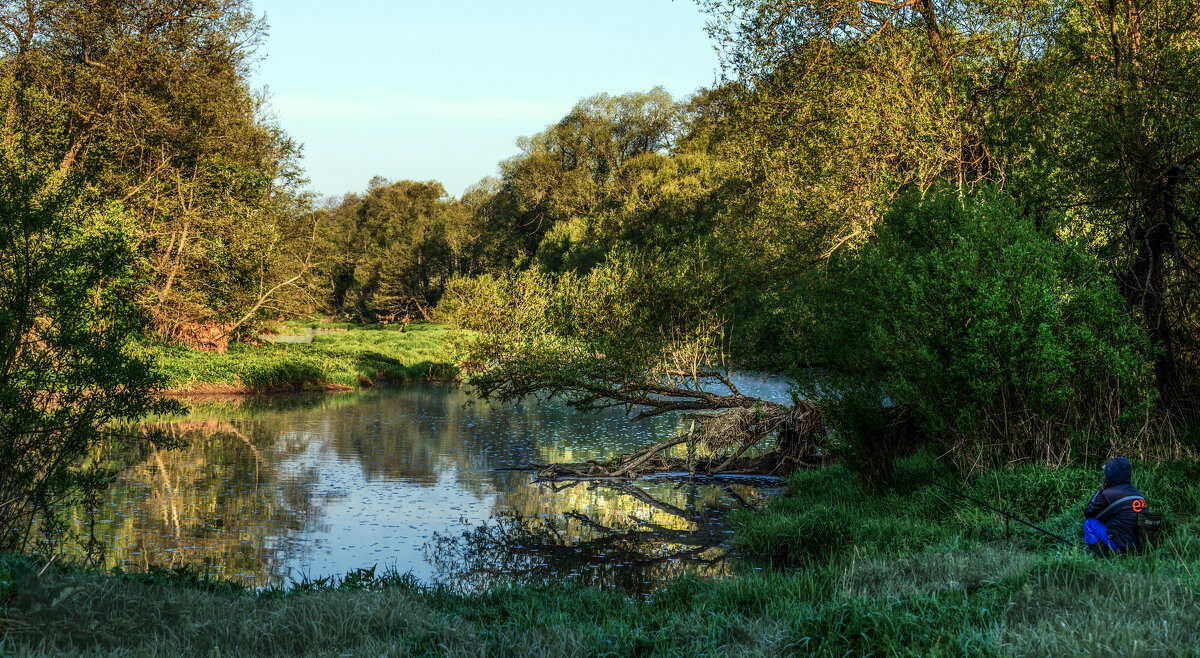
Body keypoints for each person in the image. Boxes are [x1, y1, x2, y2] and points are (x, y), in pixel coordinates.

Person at [1083, 457, 1146, 555]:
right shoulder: (1137, 493)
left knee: (1089, 523)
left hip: (1122, 546)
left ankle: (1100, 555)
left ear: (1109, 475)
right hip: (1141, 547)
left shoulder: (1108, 494)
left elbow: (1088, 512)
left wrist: (1102, 489)